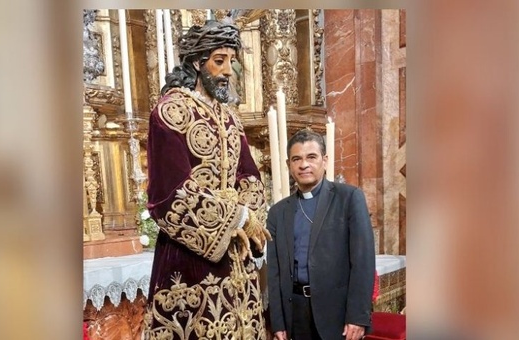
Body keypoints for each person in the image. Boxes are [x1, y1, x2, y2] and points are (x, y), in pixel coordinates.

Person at [142, 19, 271, 340]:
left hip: (238, 260)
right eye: (219, 60)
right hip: (191, 261)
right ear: (198, 63)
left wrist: (252, 216)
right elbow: (167, 194)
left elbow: (249, 175)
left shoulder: (230, 117)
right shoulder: (171, 112)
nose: (228, 70)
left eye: (231, 60)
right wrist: (237, 217)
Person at [267, 129, 376, 340]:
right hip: (296, 312)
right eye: (296, 159)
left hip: (338, 314)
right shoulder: (278, 212)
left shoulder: (349, 198)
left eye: (311, 157)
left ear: (324, 161)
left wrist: (358, 316)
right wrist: (278, 322)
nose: (304, 165)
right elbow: (275, 272)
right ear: (289, 164)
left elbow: (363, 262)